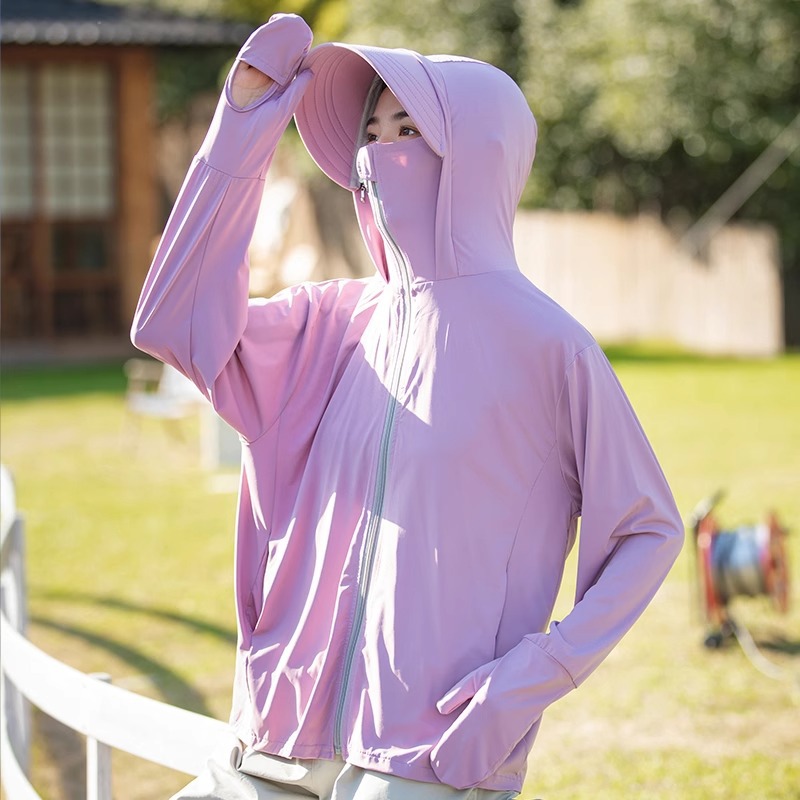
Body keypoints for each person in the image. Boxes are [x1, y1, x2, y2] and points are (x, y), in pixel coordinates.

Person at [132, 13, 684, 800]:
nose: (380, 152)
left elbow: (647, 529)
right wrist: (243, 126)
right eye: (371, 132)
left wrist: (528, 680)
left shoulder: (549, 346)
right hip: (278, 737)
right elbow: (173, 321)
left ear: (479, 152)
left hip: (431, 758)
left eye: (409, 129)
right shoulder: (331, 324)